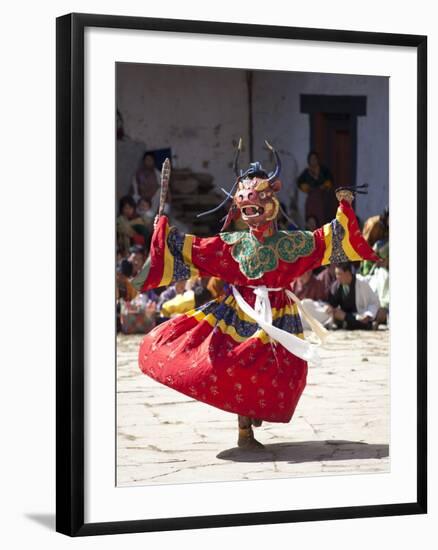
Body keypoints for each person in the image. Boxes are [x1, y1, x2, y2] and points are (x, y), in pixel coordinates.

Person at [133, 142, 378, 450]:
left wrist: (344, 208)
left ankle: (255, 411)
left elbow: (327, 240)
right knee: (236, 363)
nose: (250, 204)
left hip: (280, 315)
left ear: (271, 201)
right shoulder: (232, 244)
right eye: (245, 198)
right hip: (241, 312)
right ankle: (245, 429)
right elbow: (194, 250)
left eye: (258, 196)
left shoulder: (292, 244)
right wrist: (164, 233)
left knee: (288, 372)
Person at [327, 263, 380, 330]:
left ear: (348, 273)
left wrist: (368, 315)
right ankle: (367, 326)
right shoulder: (336, 286)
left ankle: (367, 325)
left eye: (339, 274)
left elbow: (374, 302)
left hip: (361, 314)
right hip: (344, 315)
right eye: (336, 274)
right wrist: (330, 307)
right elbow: (333, 303)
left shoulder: (361, 282)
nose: (337, 277)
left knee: (358, 319)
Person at [297, 151, 336, 227]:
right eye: (311, 159)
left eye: (315, 159)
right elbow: (299, 183)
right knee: (310, 219)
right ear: (309, 161)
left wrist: (324, 186)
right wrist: (307, 188)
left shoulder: (324, 170)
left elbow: (330, 180)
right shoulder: (306, 172)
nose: (313, 161)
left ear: (317, 159)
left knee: (321, 219)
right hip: (311, 200)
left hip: (322, 199)